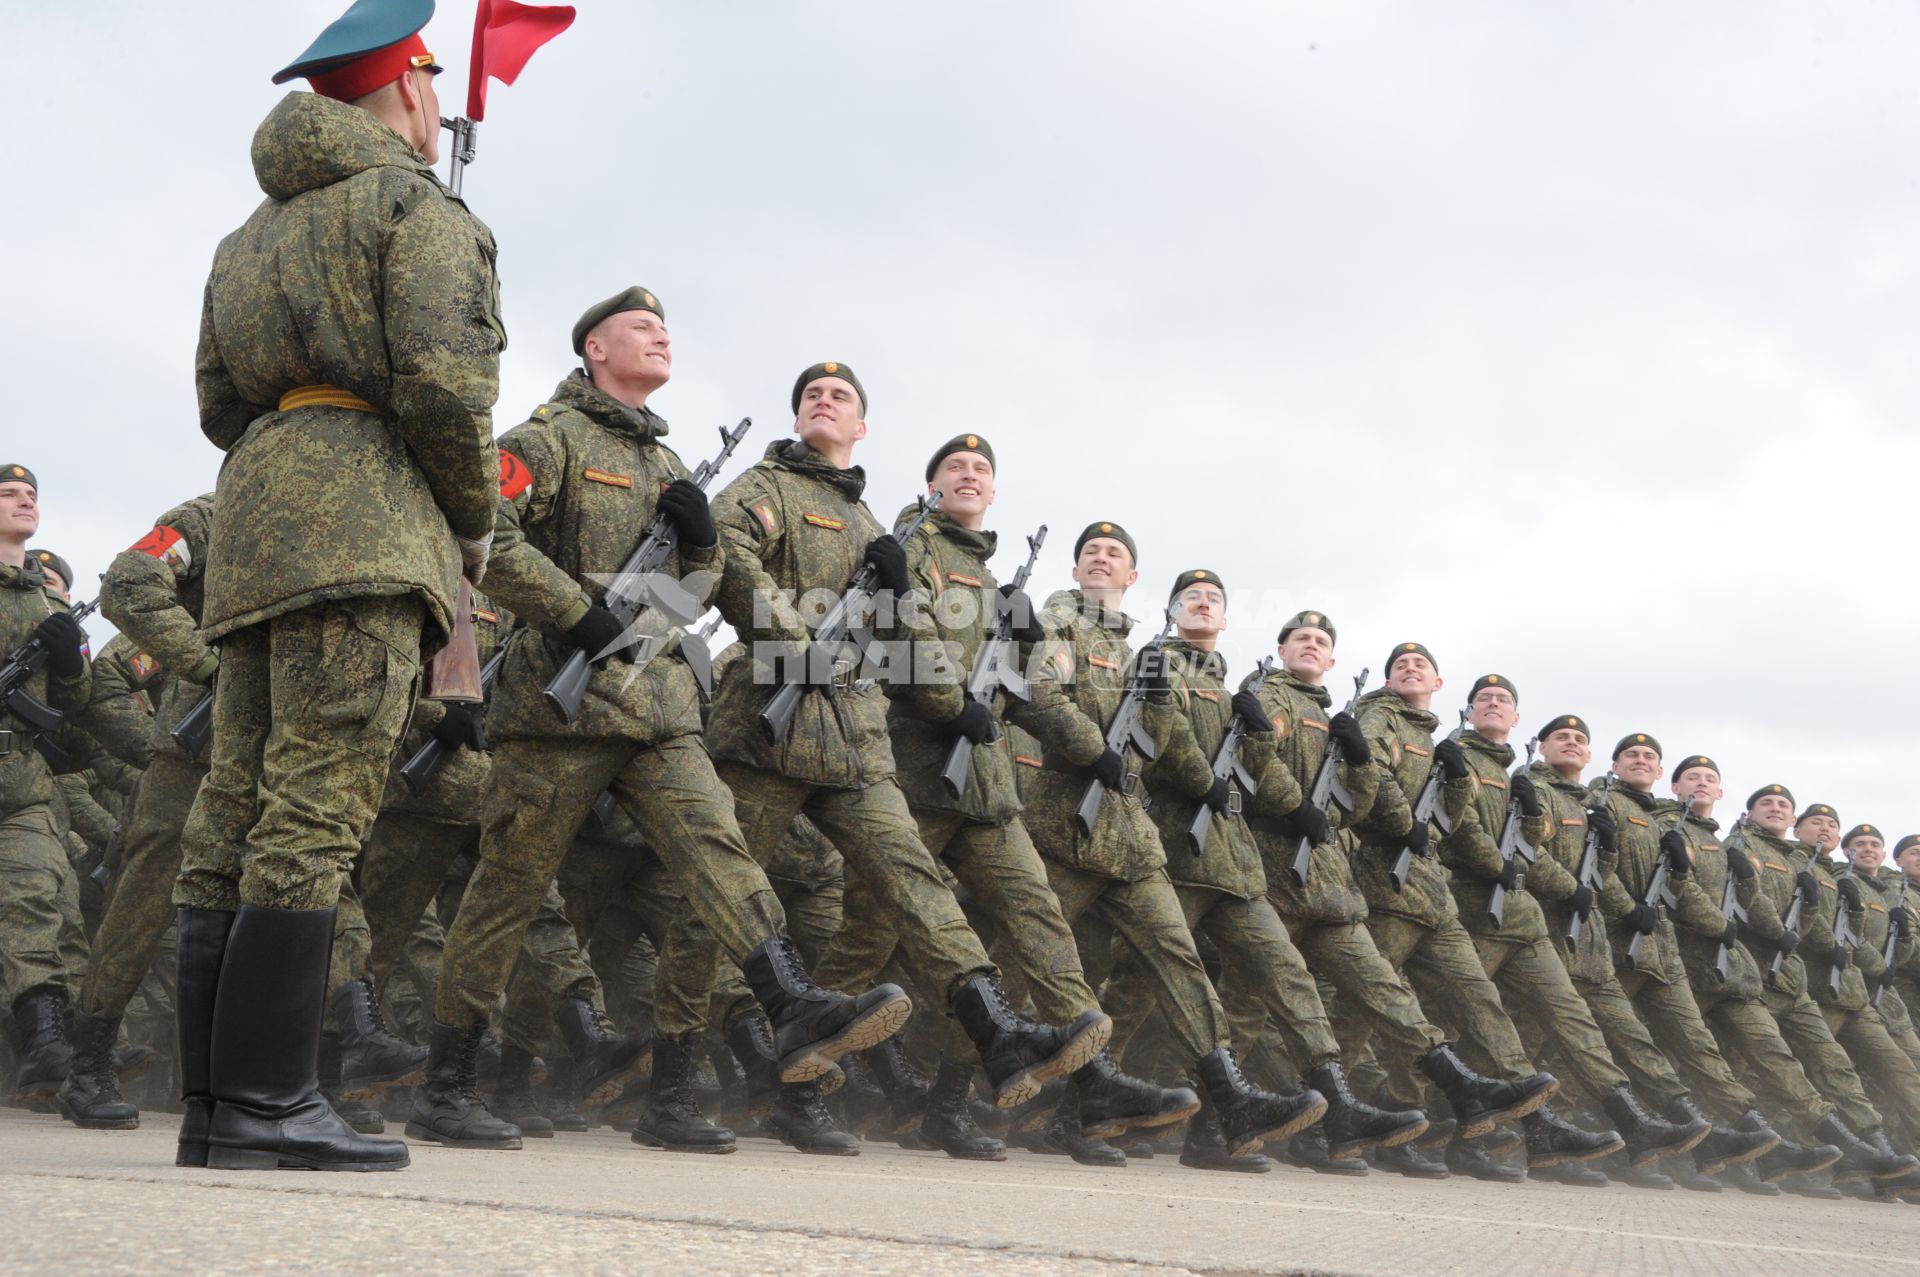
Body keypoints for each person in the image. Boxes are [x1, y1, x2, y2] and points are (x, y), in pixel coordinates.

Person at [422, 299, 910, 1153]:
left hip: (658, 710)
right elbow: (482, 528)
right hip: (555, 716)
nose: (660, 336)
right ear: (596, 346)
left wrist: (697, 548)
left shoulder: (673, 462)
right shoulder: (548, 439)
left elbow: (687, 598)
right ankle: (451, 1078)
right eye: (640, 329)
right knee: (509, 891)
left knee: (718, 850)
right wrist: (576, 612)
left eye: (666, 330)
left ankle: (788, 1000)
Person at [171, 0, 506, 1171]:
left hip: (261, 521)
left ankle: (215, 1106)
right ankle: (273, 1100)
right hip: (366, 524)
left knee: (233, 807)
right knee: (316, 807)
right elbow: (446, 389)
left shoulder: (245, 239)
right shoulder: (418, 207)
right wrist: (472, 522)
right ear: (411, 90)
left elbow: (218, 402)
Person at [809, 436, 1193, 1162]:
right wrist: (952, 698)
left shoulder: (997, 587)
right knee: (870, 934)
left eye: (982, 470)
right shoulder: (903, 547)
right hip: (914, 773)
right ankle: (796, 1075)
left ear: (994, 494)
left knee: (1039, 916)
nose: (969, 474)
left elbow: (1030, 697)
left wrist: (1070, 723)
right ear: (929, 484)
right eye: (955, 466)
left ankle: (1090, 1077)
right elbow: (887, 645)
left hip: (987, 788)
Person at [1102, 573, 1427, 1166]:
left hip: (1235, 863)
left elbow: (1342, 807)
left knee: (1278, 980)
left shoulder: (1232, 687)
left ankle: (1321, 1104)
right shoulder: (1192, 672)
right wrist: (1285, 797)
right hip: (1177, 849)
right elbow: (1186, 754)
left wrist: (1352, 761)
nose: (1203, 604)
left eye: (1215, 600)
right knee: (1142, 985)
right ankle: (1084, 1099)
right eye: (1299, 637)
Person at [0, 465, 94, 1108]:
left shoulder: (51, 603)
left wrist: (65, 659)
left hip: (21, 781)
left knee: (37, 898)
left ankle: (46, 1041)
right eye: (8, 493)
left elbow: (75, 699)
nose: (24, 499)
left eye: (31, 494)